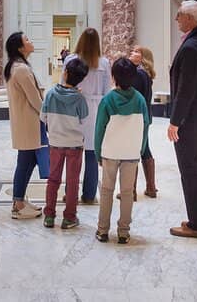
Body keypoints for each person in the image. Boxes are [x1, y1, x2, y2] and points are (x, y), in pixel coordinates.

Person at [167, 0, 197, 239]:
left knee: (190, 169)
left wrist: (175, 121)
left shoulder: (190, 48)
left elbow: (185, 90)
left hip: (189, 118)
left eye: (179, 15)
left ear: (190, 19)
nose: (176, 19)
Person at [94, 58, 150, 245]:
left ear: (113, 77)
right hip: (132, 153)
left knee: (107, 191)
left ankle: (102, 230)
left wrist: (97, 153)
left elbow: (99, 128)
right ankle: (124, 232)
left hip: (110, 152)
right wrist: (140, 149)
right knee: (127, 192)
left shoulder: (108, 100)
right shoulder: (140, 100)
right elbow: (145, 126)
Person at [39, 57, 90, 230]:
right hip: (75, 144)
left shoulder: (51, 93)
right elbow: (84, 121)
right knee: (73, 181)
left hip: (55, 143)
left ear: (65, 73)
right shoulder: (80, 99)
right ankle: (69, 217)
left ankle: (49, 216)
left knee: (53, 179)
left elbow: (42, 117)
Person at [65, 28, 111, 205]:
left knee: (73, 154)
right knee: (92, 154)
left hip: (75, 107)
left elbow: (65, 85)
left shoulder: (71, 59)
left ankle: (71, 194)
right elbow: (107, 91)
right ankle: (89, 194)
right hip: (96, 109)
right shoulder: (105, 63)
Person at [5, 31, 44, 219]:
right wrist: (47, 116)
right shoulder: (21, 69)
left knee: (28, 161)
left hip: (26, 121)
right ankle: (18, 204)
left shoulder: (19, 67)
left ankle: (19, 200)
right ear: (20, 48)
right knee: (25, 162)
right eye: (26, 39)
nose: (30, 41)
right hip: (29, 122)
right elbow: (35, 100)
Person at [128, 45, 158, 199]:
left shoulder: (138, 73)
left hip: (137, 117)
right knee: (145, 148)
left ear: (143, 57)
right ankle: (151, 187)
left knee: (134, 150)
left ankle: (130, 190)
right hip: (145, 116)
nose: (132, 53)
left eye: (136, 51)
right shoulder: (145, 73)